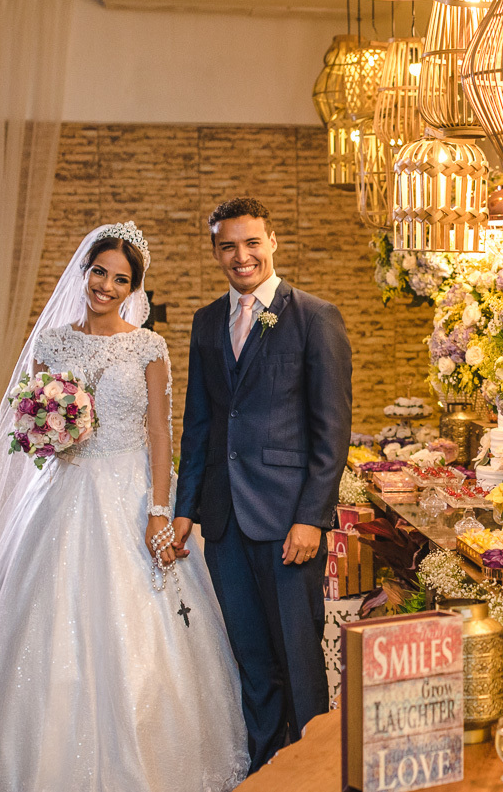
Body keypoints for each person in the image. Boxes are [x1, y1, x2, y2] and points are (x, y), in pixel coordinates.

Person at [0, 223, 249, 791]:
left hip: (130, 493)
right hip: (64, 490)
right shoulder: (52, 341)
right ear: (84, 272)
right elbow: (27, 422)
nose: (106, 285)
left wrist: (159, 508)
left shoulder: (148, 346)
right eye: (99, 272)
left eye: (120, 278)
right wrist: (49, 429)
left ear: (134, 288)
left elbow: (160, 432)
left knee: (143, 636)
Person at [173, 197, 352, 771]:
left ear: (272, 242)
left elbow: (332, 432)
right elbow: (198, 424)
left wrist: (312, 517)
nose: (241, 256)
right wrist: (185, 510)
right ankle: (265, 774)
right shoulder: (206, 322)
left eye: (252, 243)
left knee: (299, 662)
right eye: (228, 245)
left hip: (287, 523)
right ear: (216, 252)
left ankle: (314, 775)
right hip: (224, 523)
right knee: (251, 662)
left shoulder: (314, 317)